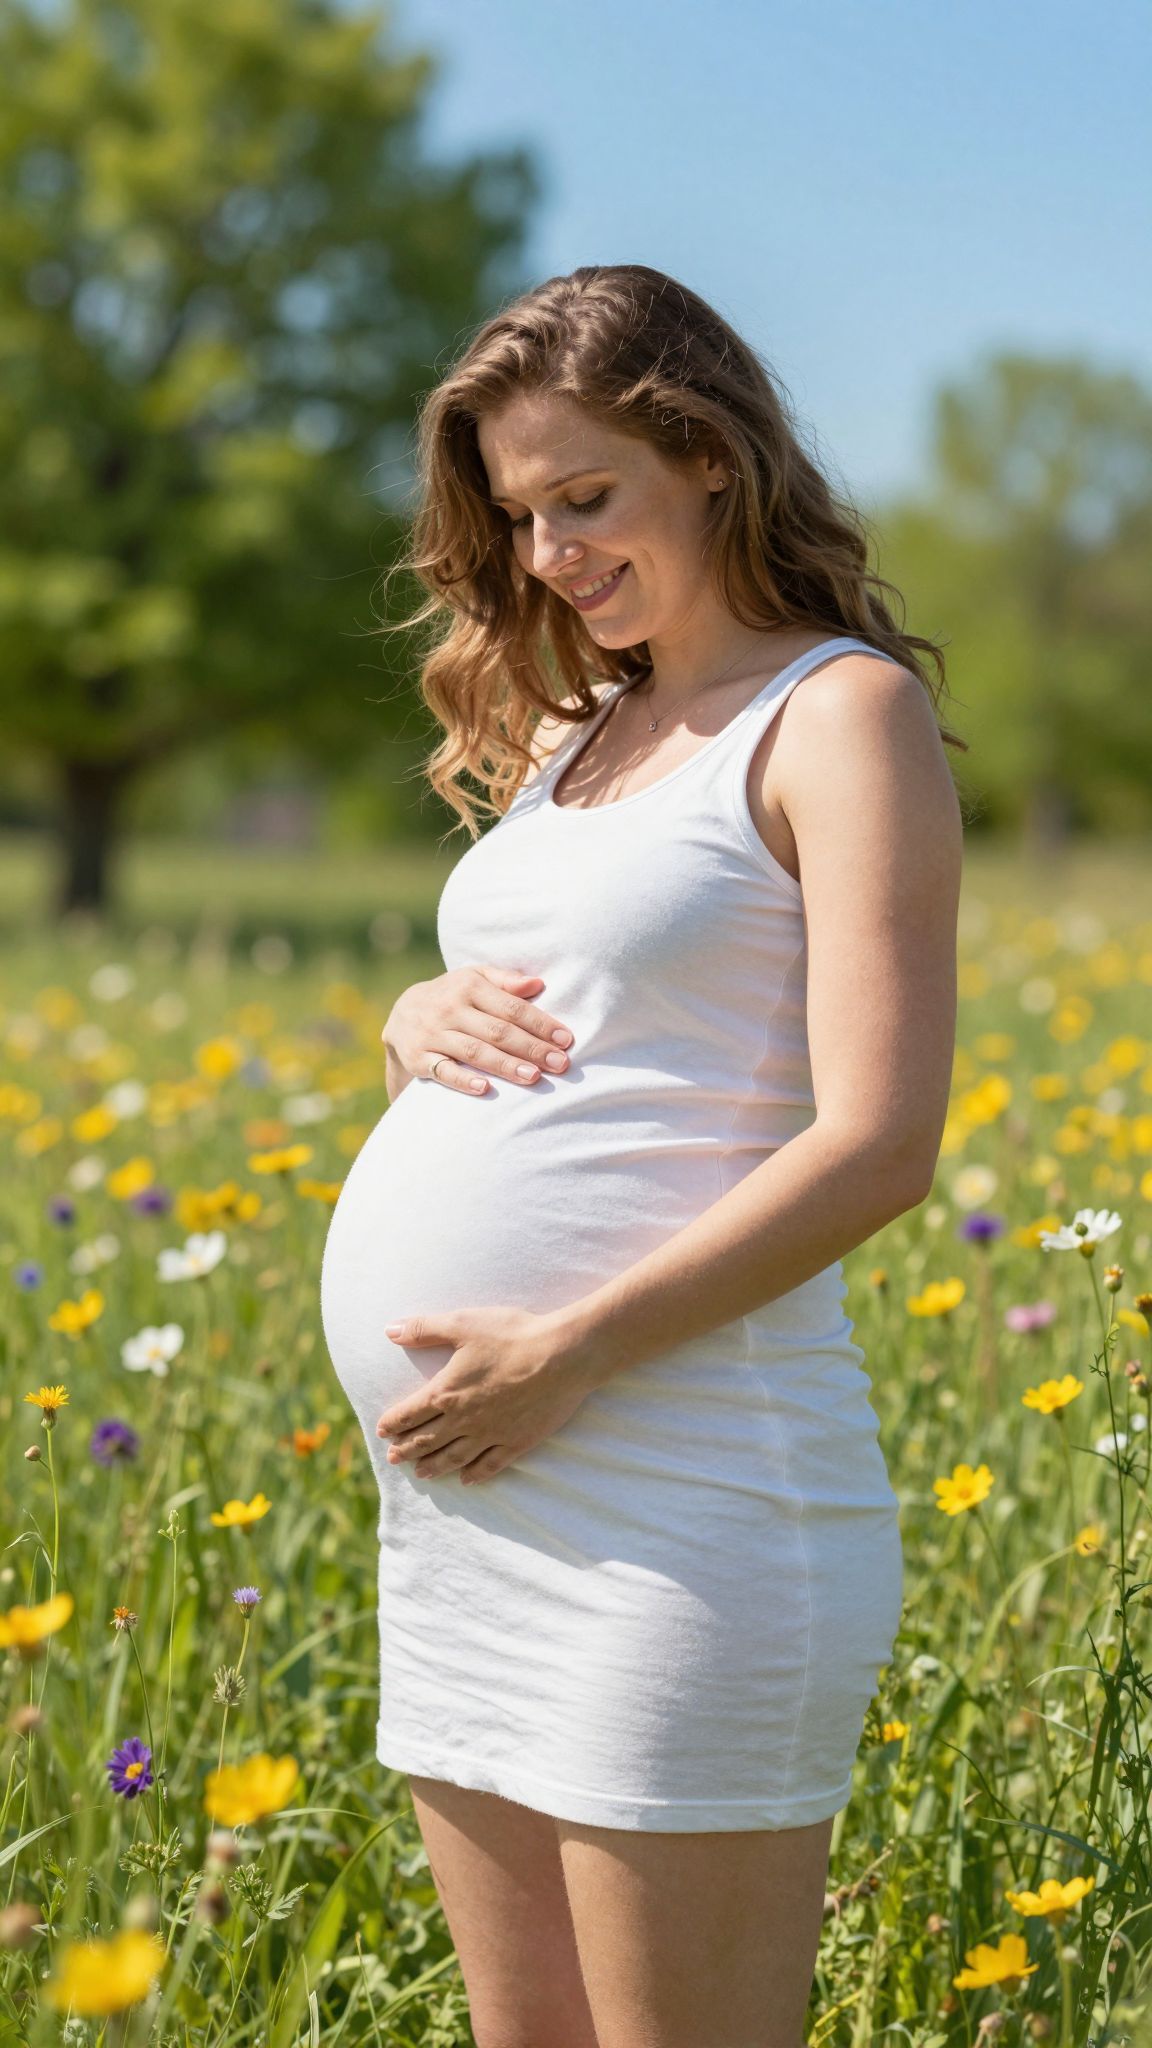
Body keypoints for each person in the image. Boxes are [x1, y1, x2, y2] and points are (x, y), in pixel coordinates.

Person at [320, 263, 965, 2048]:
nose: (545, 556)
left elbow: (879, 1142)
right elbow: (590, 996)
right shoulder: (569, 735)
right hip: (466, 1513)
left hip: (680, 1502)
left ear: (709, 455)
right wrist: (409, 1018)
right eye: (519, 516)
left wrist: (576, 1346)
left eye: (583, 498)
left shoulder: (835, 716)